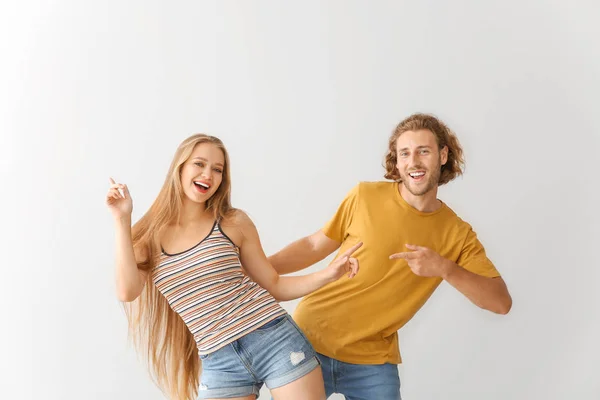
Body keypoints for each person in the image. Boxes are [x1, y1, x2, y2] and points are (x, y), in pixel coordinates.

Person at [268, 113, 513, 400]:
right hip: (309, 343)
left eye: (424, 151)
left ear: (443, 155)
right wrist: (256, 267)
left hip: (373, 362)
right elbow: (313, 246)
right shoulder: (364, 196)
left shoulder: (457, 234)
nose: (414, 161)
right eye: (405, 153)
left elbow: (500, 303)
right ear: (396, 162)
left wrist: (445, 268)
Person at [105, 134, 361, 400]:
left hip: (275, 338)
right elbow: (127, 291)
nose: (208, 174)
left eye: (217, 169)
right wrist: (122, 219)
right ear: (179, 167)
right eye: (199, 164)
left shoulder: (232, 222)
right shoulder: (148, 240)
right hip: (219, 361)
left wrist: (330, 274)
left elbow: (274, 285)